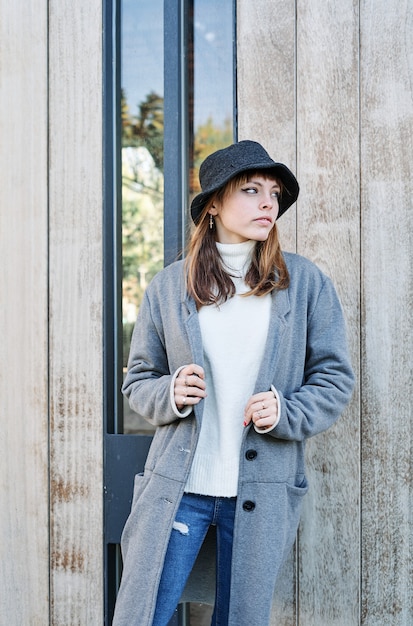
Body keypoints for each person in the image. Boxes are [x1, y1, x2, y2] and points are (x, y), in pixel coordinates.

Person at [112, 140, 355, 626]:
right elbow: (138, 379)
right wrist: (171, 392)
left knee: (240, 617)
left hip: (260, 491)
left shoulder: (304, 284)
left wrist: (287, 411)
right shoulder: (169, 286)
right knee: (144, 614)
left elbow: (333, 379)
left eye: (274, 193)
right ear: (215, 204)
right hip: (179, 490)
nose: (269, 203)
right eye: (251, 190)